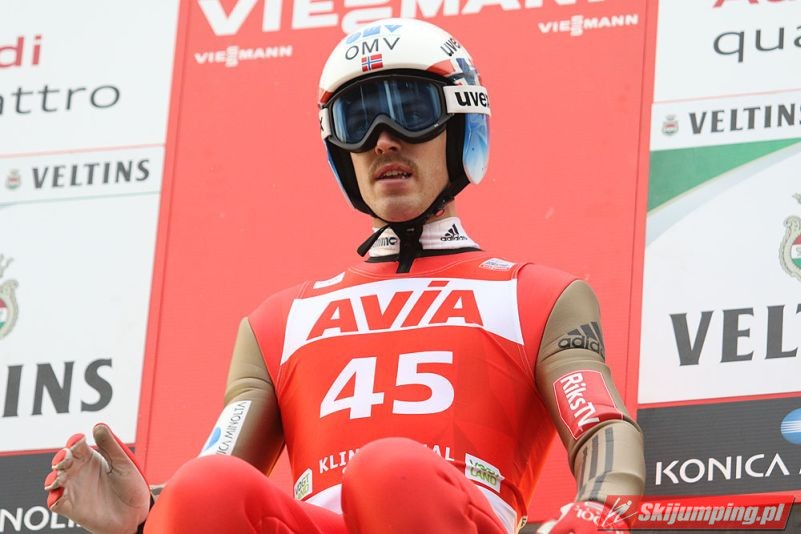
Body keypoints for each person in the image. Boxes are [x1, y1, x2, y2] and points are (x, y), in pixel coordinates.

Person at [44, 17, 645, 534]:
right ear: (339, 149)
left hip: (444, 513)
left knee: (390, 472)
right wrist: (146, 516)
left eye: (411, 113)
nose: (383, 141)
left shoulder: (537, 294)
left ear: (462, 122)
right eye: (358, 120)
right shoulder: (279, 322)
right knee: (207, 487)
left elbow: (600, 426)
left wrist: (600, 511)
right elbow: (214, 475)